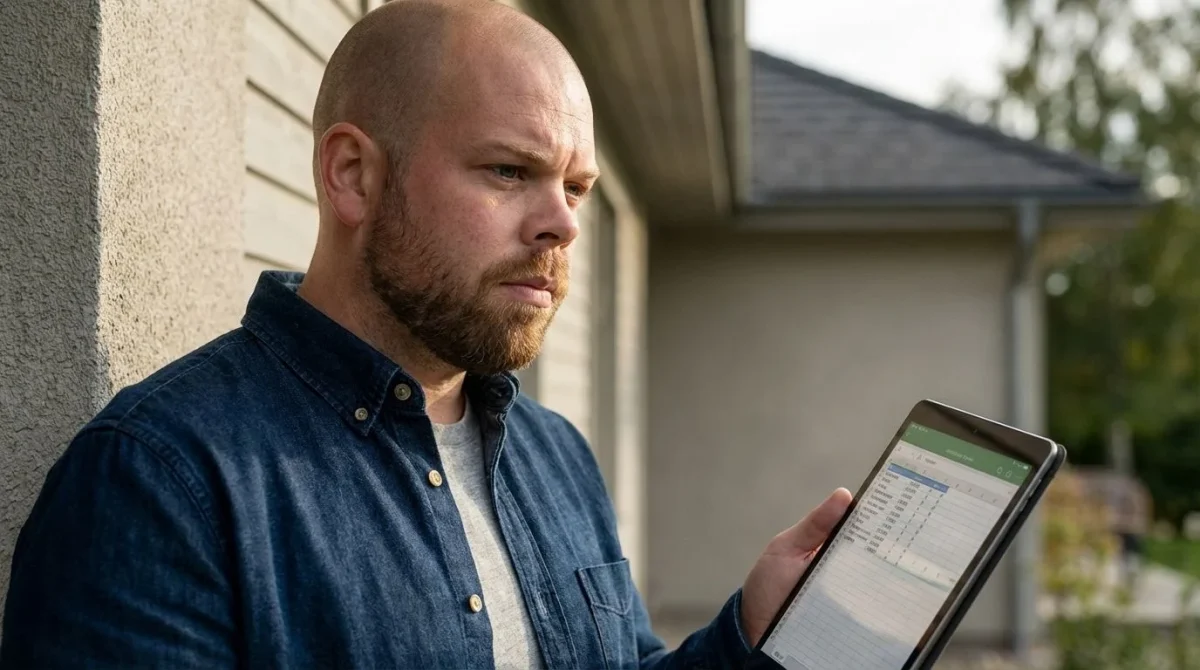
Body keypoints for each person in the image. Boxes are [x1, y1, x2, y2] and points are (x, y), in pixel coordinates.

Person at [0, 1, 851, 668]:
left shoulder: (554, 455)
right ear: (353, 176)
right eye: (509, 170)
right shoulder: (163, 481)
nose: (562, 224)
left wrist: (748, 633)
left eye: (576, 188)